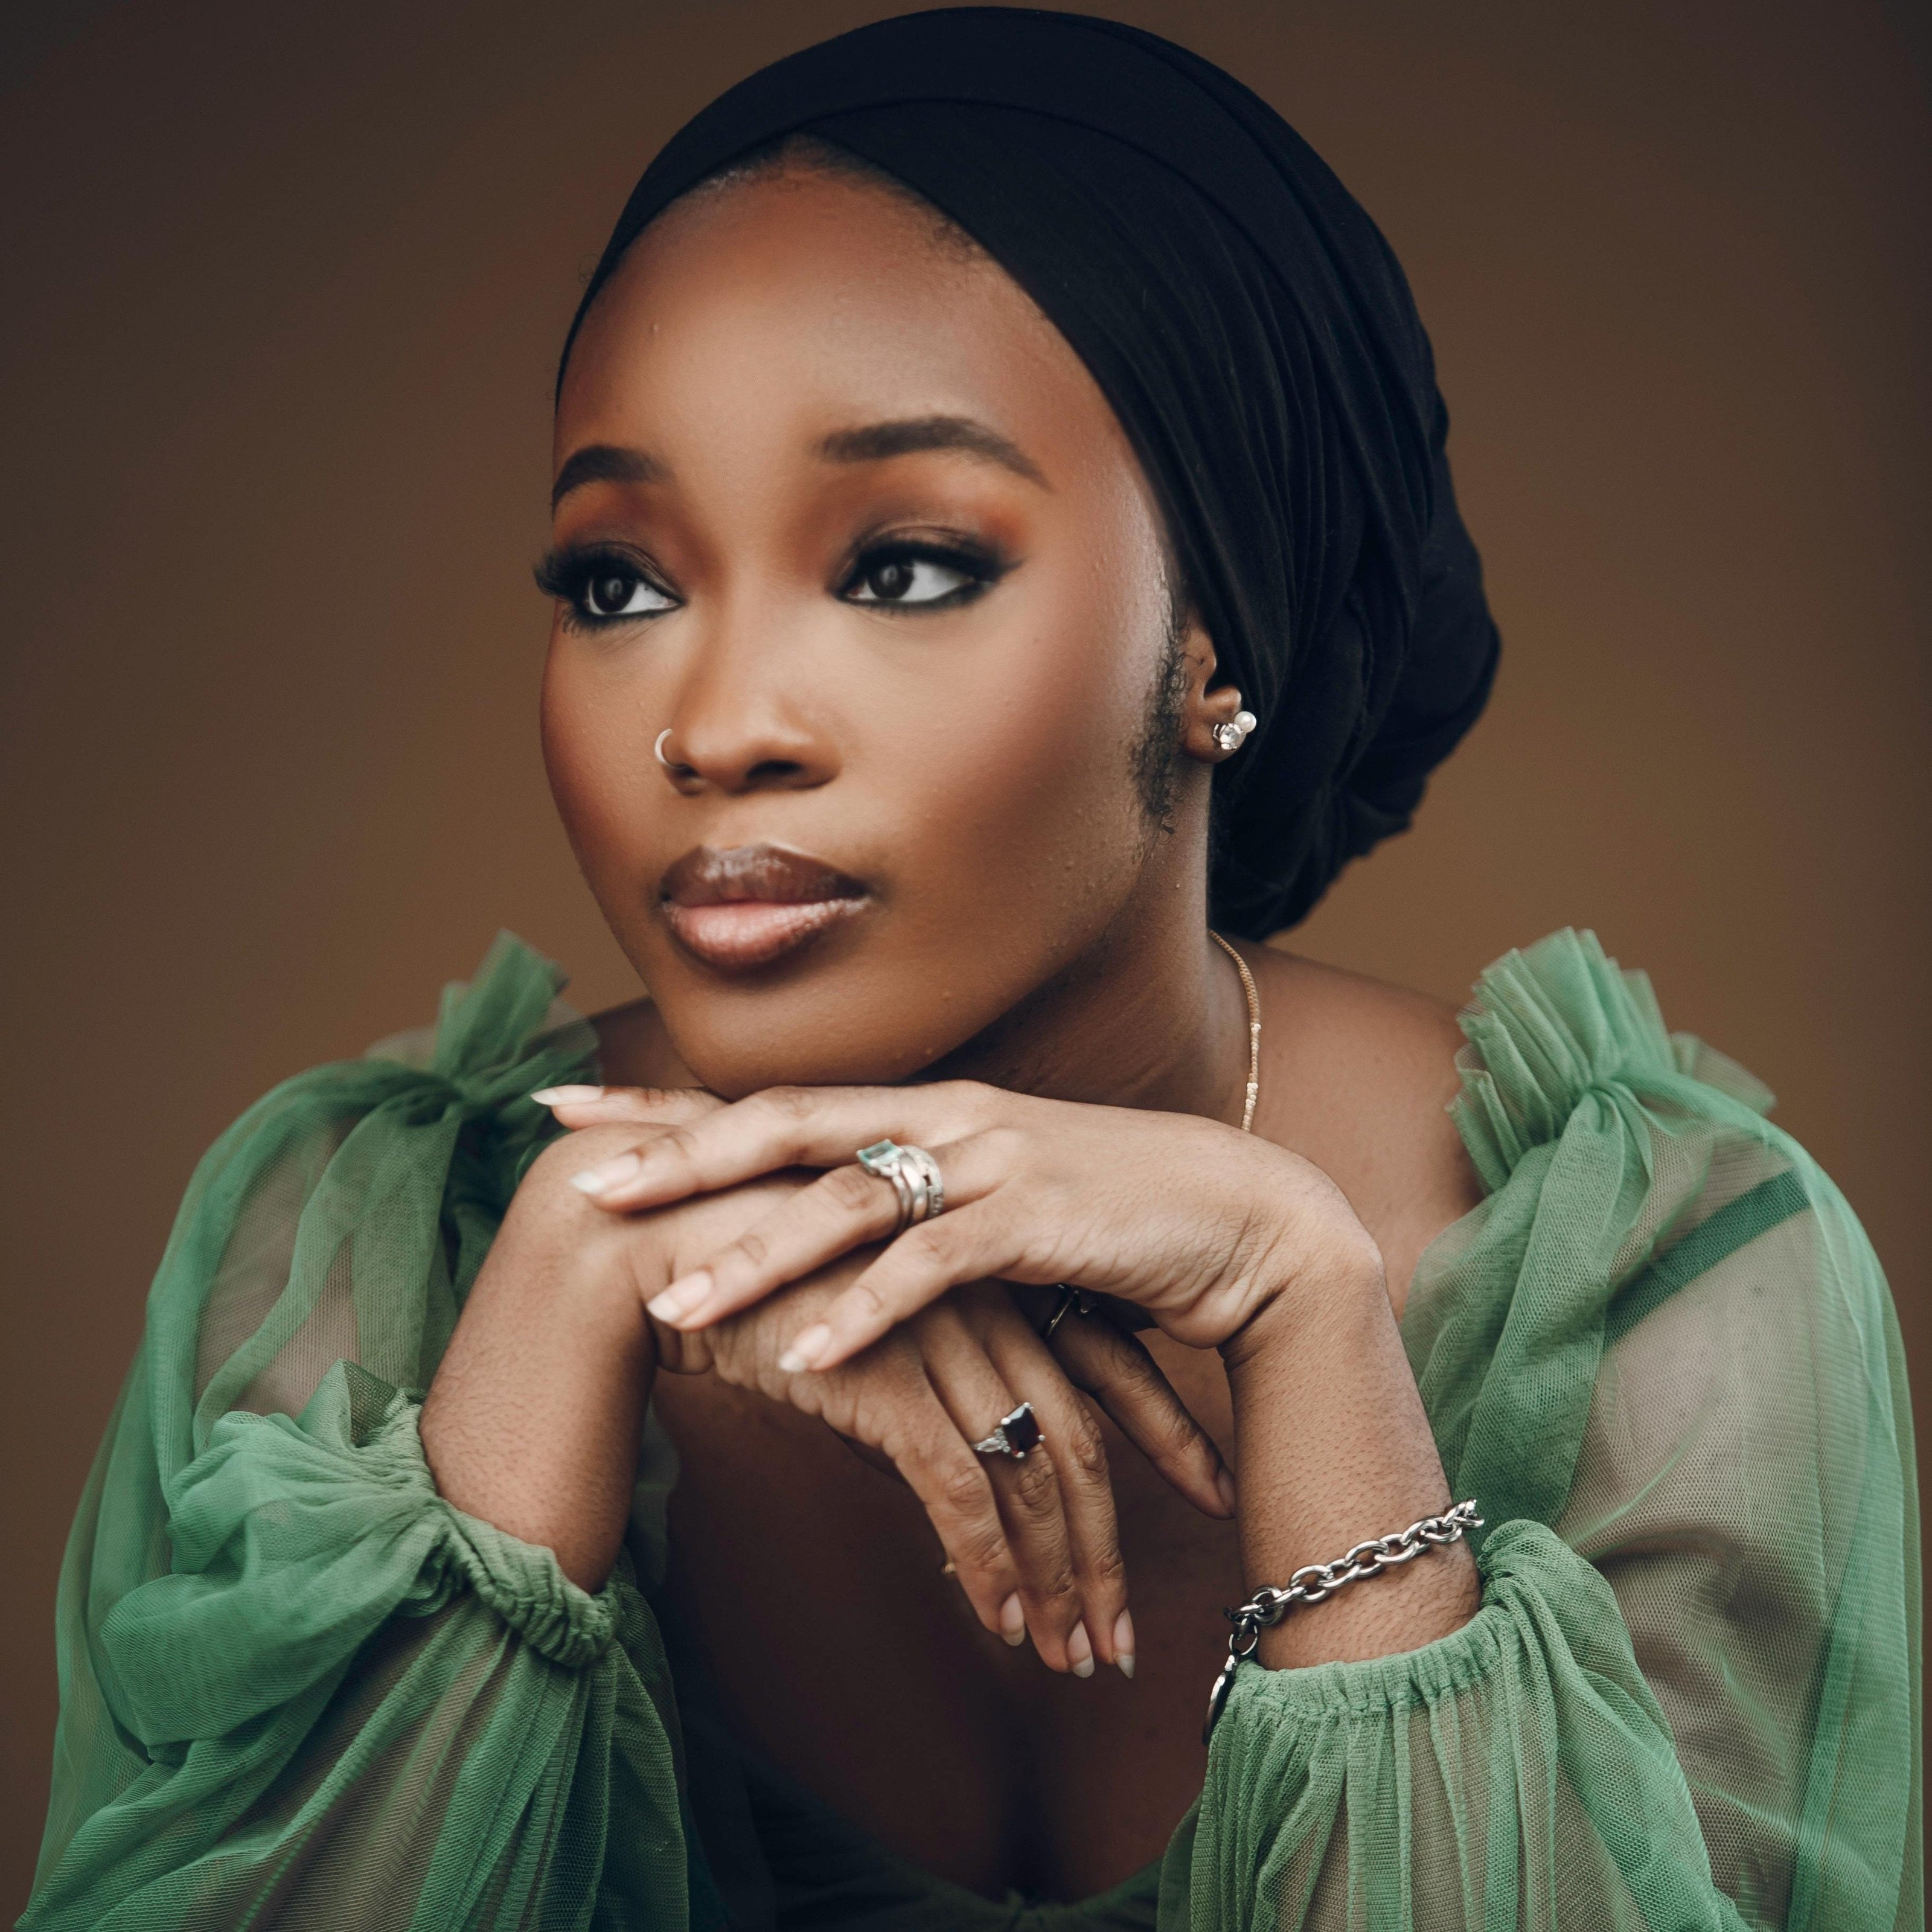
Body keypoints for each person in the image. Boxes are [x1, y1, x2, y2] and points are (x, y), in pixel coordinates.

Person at [21, 11, 1918, 1930]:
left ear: (1214, 641)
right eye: (621, 582)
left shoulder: (1666, 1293)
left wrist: (1309, 1320)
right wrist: (538, 1376)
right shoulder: (369, 1261)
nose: (716, 725)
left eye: (907, 564)